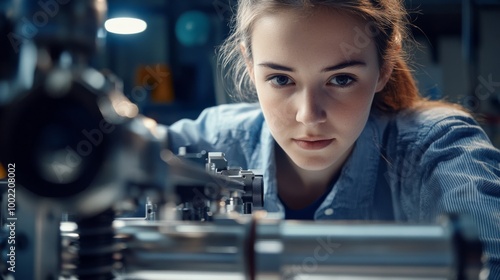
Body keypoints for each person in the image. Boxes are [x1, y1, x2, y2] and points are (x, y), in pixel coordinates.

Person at [167, 0, 500, 277]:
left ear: (384, 66)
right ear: (250, 66)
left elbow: (489, 262)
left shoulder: (435, 145)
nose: (308, 115)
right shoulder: (212, 141)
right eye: (281, 79)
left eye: (341, 79)